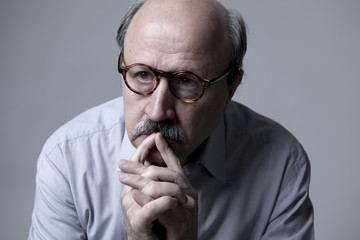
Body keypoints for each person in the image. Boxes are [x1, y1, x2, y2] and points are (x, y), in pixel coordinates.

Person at [28, 0, 315, 239]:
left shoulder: (281, 165)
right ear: (122, 67)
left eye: (187, 82)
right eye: (142, 74)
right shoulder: (67, 159)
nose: (157, 111)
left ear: (230, 88)